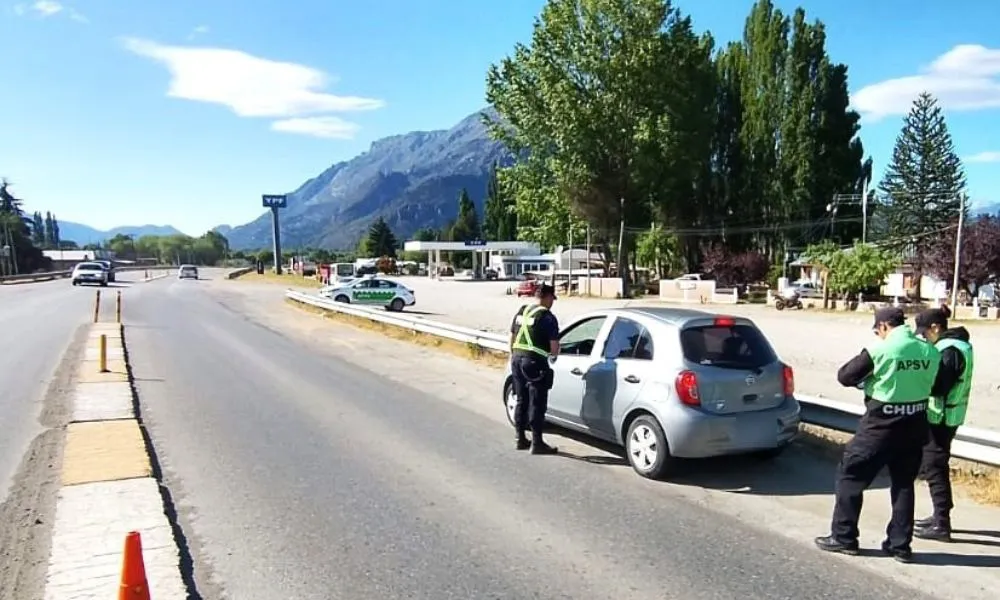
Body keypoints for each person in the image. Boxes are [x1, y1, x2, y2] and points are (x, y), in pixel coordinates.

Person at [815, 307, 940, 563]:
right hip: (915, 425)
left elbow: (845, 376)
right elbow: (935, 383)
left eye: (877, 330)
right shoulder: (930, 350)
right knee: (904, 485)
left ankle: (844, 537)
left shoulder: (880, 349)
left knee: (850, 477)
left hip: (880, 427)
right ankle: (900, 546)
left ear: (883, 326)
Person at [913, 305, 974, 542]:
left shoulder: (949, 351)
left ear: (936, 327)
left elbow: (939, 387)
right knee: (936, 466)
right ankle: (940, 515)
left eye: (925, 332)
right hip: (950, 416)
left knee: (934, 467)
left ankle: (941, 523)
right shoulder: (959, 345)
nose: (923, 336)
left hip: (941, 419)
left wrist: (919, 381)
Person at [509, 283, 560, 455]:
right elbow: (554, 347)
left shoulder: (522, 310)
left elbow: (512, 336)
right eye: (552, 298)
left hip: (516, 358)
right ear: (546, 297)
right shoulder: (548, 317)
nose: (552, 302)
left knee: (521, 399)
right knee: (537, 402)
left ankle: (520, 438)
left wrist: (514, 355)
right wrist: (553, 356)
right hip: (534, 363)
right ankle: (537, 443)